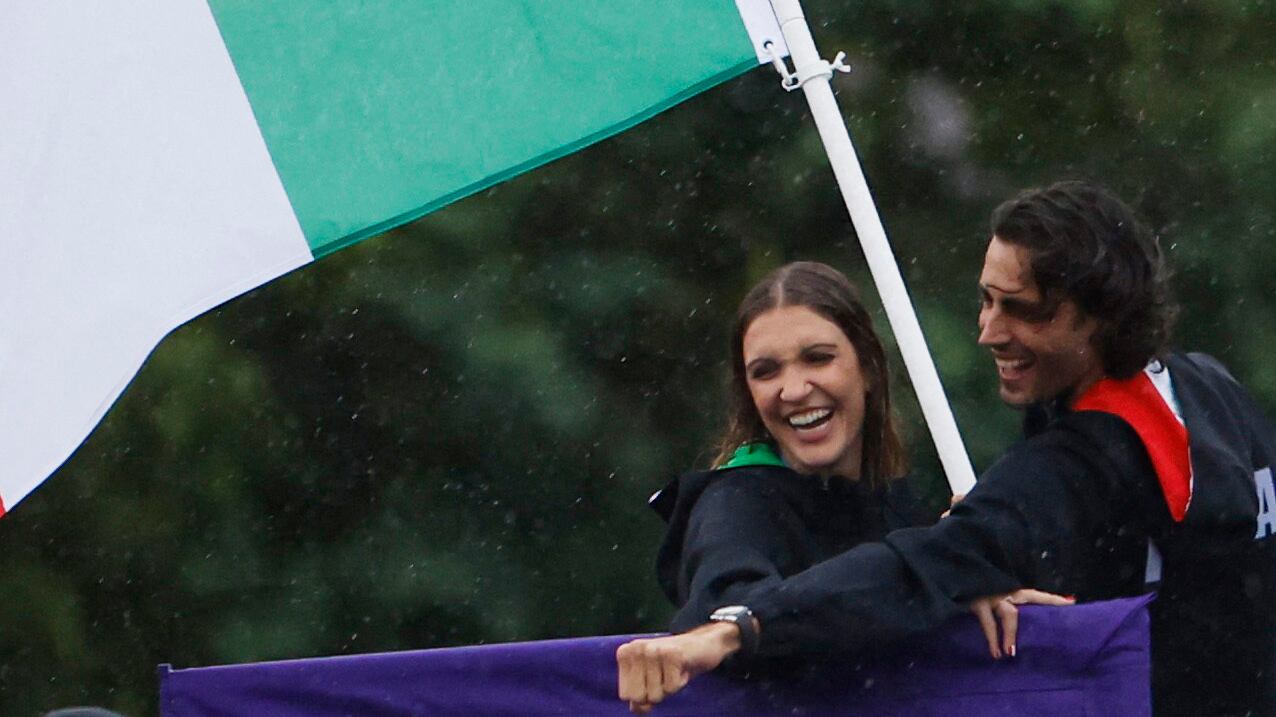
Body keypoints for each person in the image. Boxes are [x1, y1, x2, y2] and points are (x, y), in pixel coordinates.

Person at [616, 181, 1276, 717]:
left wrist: (960, 576)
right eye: (985, 300)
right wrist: (735, 625)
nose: (988, 331)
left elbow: (929, 564)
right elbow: (922, 568)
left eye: (1021, 308)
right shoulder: (1207, 388)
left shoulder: (1064, 463)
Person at [618, 261, 1065, 714]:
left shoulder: (899, 500)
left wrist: (962, 589)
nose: (794, 390)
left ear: (867, 367)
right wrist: (931, 572)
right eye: (766, 371)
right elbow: (722, 616)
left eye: (818, 358)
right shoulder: (732, 503)